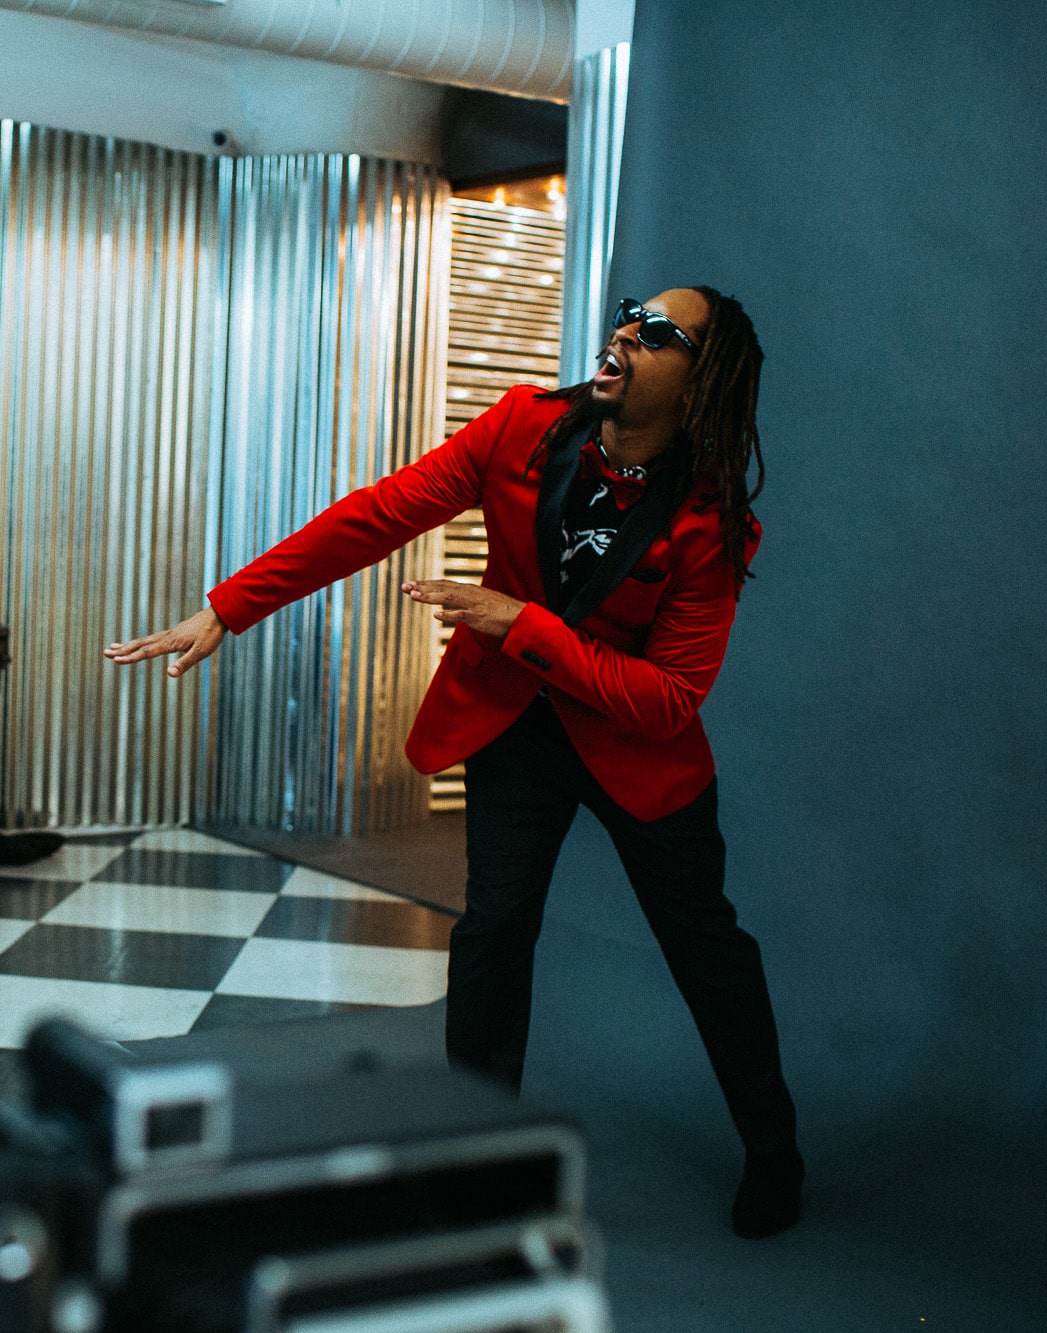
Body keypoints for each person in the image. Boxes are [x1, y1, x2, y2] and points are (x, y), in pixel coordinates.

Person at [106, 288, 805, 1239]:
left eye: (660, 332)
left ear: (701, 383)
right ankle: (475, 1154)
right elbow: (376, 513)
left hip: (637, 752)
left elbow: (671, 699)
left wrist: (524, 623)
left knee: (706, 950)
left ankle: (775, 1151)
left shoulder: (710, 523)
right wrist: (228, 609)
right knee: (493, 929)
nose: (626, 333)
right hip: (514, 724)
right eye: (629, 313)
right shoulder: (522, 428)